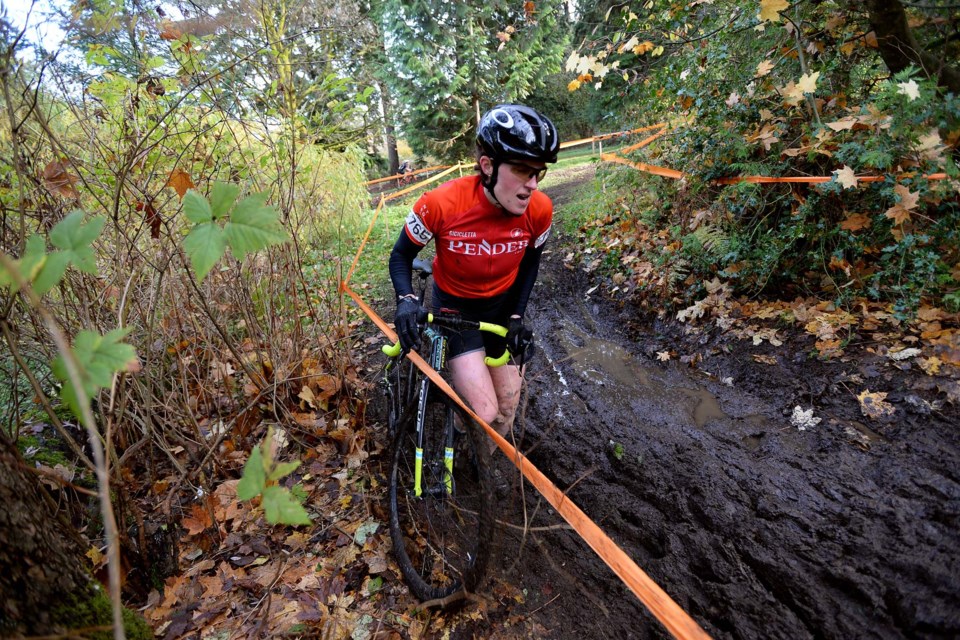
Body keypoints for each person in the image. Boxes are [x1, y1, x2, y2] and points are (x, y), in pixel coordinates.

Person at [388, 104, 559, 454]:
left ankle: (478, 461)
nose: (531, 186)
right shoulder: (440, 203)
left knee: (507, 409)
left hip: (499, 310)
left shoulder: (540, 209)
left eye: (538, 174)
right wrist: (406, 300)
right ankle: (464, 421)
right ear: (487, 166)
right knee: (485, 410)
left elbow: (530, 265)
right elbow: (401, 255)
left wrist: (516, 316)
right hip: (456, 308)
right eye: (522, 171)